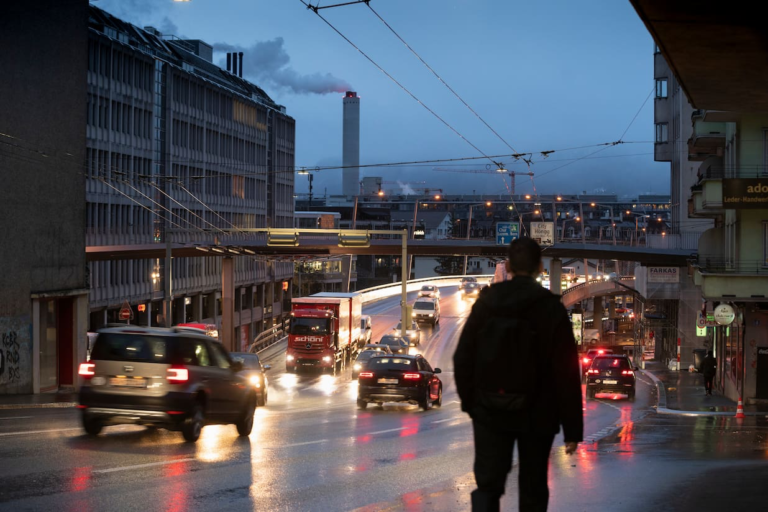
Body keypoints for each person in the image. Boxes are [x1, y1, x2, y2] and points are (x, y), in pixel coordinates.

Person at [454, 237, 583, 512]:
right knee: (534, 486)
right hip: (539, 412)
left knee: (488, 485)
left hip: (490, 409)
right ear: (540, 267)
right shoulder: (551, 308)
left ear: (509, 266)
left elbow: (462, 357)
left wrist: (472, 404)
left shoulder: (487, 303)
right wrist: (572, 429)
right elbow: (567, 371)